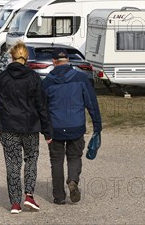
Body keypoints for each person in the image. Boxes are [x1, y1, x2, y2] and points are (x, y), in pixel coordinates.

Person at [0, 41, 53, 214]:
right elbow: (42, 105)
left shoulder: (3, 77)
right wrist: (47, 131)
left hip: (7, 126)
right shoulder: (33, 77)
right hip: (30, 127)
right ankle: (29, 195)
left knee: (12, 163)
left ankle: (15, 203)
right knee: (31, 159)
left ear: (11, 56)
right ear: (26, 57)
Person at [41, 48, 102, 205]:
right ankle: (73, 180)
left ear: (54, 62)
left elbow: (42, 109)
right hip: (76, 126)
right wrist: (97, 126)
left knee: (56, 161)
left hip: (55, 129)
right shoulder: (81, 78)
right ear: (67, 60)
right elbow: (91, 103)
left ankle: (59, 196)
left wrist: (44, 130)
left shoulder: (47, 82)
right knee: (74, 157)